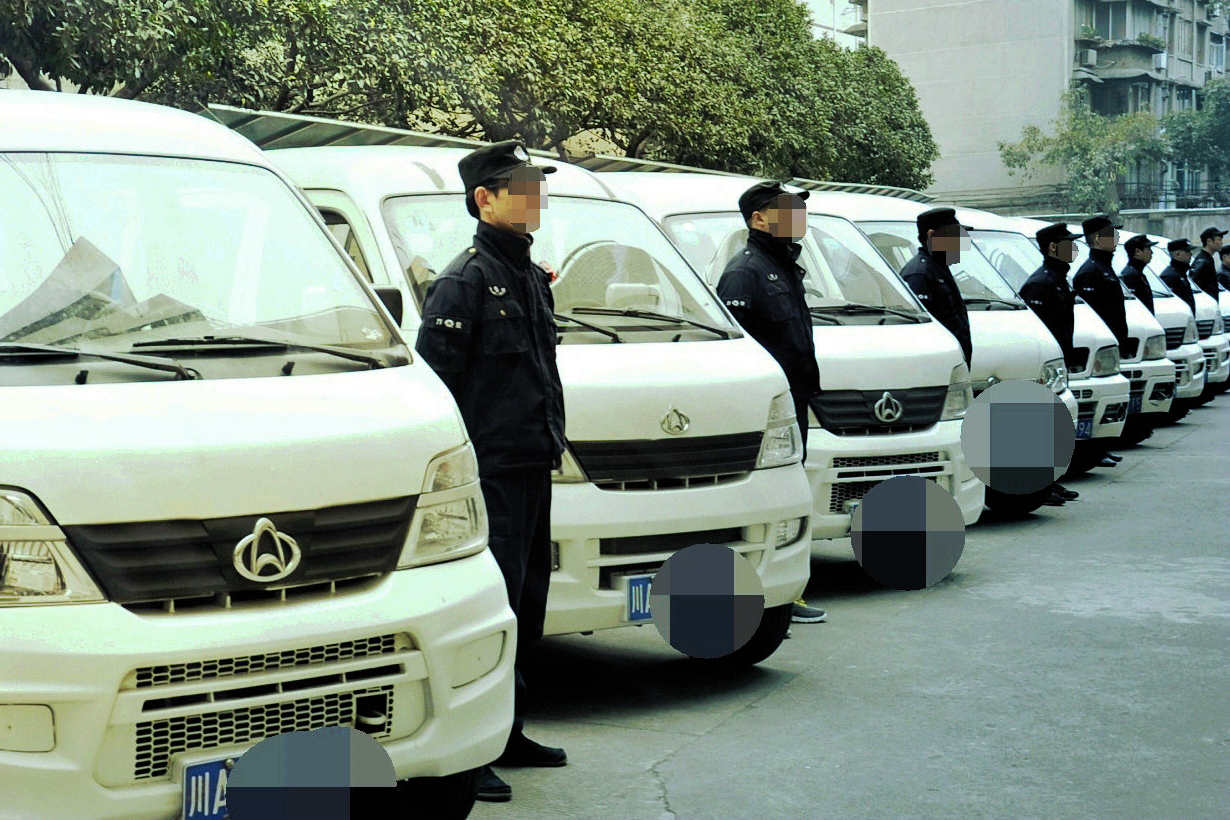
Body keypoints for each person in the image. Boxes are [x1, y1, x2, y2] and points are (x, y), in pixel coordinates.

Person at [415, 140, 567, 804]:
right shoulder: (464, 281)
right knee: (488, 613)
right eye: (523, 188)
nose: (536, 199)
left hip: (533, 462)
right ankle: (471, 752)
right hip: (491, 474)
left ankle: (508, 730)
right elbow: (438, 391)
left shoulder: (528, 275)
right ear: (484, 198)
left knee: (527, 606)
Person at [716, 180, 826, 625]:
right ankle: (757, 597)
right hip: (762, 415)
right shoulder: (745, 272)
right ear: (758, 219)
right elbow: (735, 353)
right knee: (764, 507)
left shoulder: (783, 267)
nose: (798, 217)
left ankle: (784, 593)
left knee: (788, 504)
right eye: (787, 210)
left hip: (791, 406)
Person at [1018, 223, 1083, 506]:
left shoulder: (1059, 278)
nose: (1074, 248)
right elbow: (1036, 331)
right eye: (1068, 244)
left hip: (1058, 365)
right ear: (1053, 248)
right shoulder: (1040, 283)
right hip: (1044, 367)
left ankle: (1051, 482)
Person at [1073, 215, 1129, 469]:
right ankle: (1091, 452)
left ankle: (1101, 449)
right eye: (1110, 234)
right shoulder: (1090, 272)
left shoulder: (1105, 267)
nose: (1116, 239)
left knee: (1108, 396)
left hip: (1111, 343)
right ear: (1097, 239)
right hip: (1098, 347)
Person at [899, 207, 973, 368]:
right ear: (931, 235)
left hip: (954, 362)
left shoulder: (939, 268)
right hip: (937, 364)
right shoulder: (919, 274)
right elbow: (921, 331)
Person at [1120, 234, 1157, 316]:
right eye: (1148, 249)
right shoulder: (1130, 276)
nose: (1152, 252)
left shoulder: (1137, 273)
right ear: (1137, 252)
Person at [1160, 238, 1198, 315]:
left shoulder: (1181, 273)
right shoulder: (1169, 276)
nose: (1191, 254)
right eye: (1187, 251)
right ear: (1177, 254)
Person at [1190, 226, 1225, 301]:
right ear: (1209, 241)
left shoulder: (1208, 258)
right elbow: (1192, 284)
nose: (1221, 242)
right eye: (1219, 240)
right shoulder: (1202, 260)